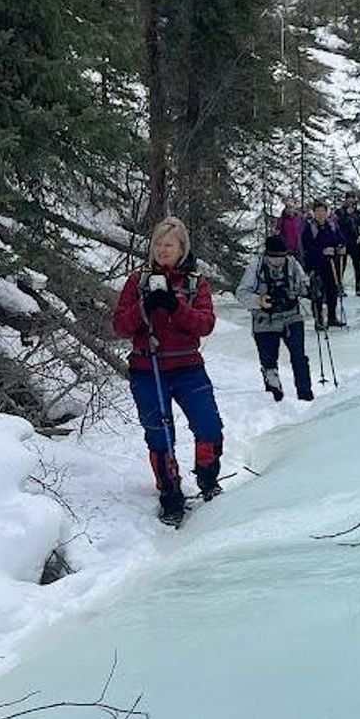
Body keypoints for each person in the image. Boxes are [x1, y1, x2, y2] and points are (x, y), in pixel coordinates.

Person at [112, 216, 223, 525]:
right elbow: (120, 325)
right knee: (159, 434)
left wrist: (176, 308)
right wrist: (144, 307)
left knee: (208, 425)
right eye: (158, 244)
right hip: (149, 369)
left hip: (188, 367)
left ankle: (208, 478)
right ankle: (170, 492)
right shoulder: (137, 281)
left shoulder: (195, 282)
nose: (162, 250)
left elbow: (206, 324)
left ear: (181, 248)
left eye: (169, 245)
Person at [237, 234, 313, 403]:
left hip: (291, 316)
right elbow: (241, 292)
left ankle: (306, 396)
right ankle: (274, 398)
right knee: (269, 361)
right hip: (265, 321)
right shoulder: (255, 266)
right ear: (267, 255)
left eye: (281, 257)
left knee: (299, 357)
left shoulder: (292, 264)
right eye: (274, 258)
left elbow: (303, 285)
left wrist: (311, 290)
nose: (278, 261)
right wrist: (259, 300)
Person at [301, 199, 346, 329]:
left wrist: (339, 248)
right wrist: (322, 251)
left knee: (332, 291)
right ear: (314, 213)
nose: (321, 214)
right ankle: (318, 320)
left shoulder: (332, 226)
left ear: (327, 213)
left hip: (332, 264)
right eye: (318, 211)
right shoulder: (310, 228)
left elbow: (340, 240)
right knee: (318, 293)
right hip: (316, 264)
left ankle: (332, 317)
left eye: (323, 211)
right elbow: (306, 247)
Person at [335, 191, 360, 296]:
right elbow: (338, 224)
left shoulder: (357, 212)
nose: (350, 200)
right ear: (345, 200)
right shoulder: (340, 212)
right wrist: (347, 215)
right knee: (341, 266)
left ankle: (358, 288)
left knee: (357, 266)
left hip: (355, 242)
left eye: (352, 198)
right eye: (349, 198)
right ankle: (340, 287)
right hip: (343, 242)